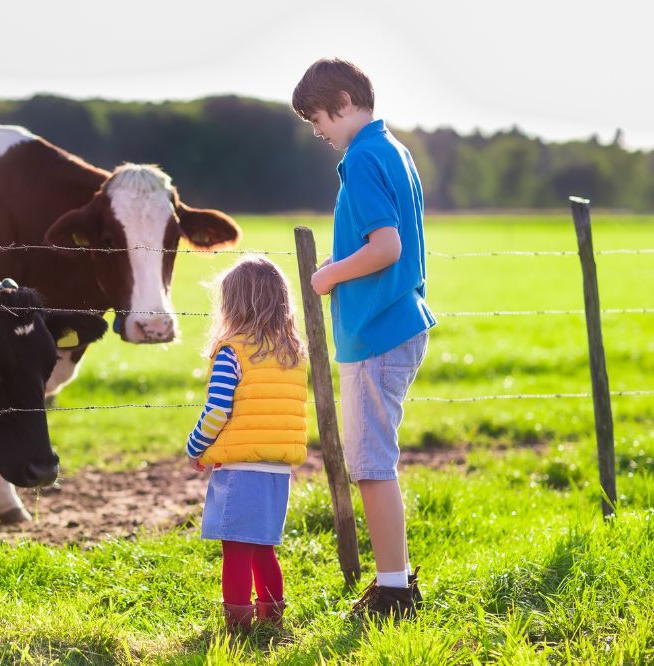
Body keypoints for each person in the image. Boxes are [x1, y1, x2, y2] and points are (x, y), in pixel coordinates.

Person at [292, 57, 436, 620]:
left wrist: (328, 275)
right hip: (393, 321)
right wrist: (343, 262)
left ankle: (395, 593)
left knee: (372, 465)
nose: (317, 131)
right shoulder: (393, 150)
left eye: (318, 118)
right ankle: (394, 582)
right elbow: (380, 243)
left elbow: (387, 248)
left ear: (345, 101)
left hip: (378, 329)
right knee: (372, 462)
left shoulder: (363, 156)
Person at [186, 256, 308, 632]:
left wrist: (196, 447)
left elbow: (218, 409)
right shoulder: (291, 353)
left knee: (236, 549)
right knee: (262, 547)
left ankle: (237, 625)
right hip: (277, 469)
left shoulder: (232, 351)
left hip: (240, 469)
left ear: (231, 305)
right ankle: (271, 618)